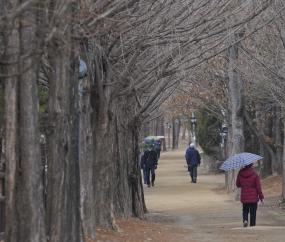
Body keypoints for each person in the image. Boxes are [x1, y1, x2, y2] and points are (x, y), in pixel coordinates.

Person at [236, 163, 264, 227]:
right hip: (253, 196)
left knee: (245, 210)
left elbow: (237, 185)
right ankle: (252, 225)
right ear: (251, 165)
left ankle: (245, 220)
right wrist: (261, 197)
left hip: (244, 196)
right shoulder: (255, 174)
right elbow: (258, 187)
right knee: (253, 212)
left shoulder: (240, 173)